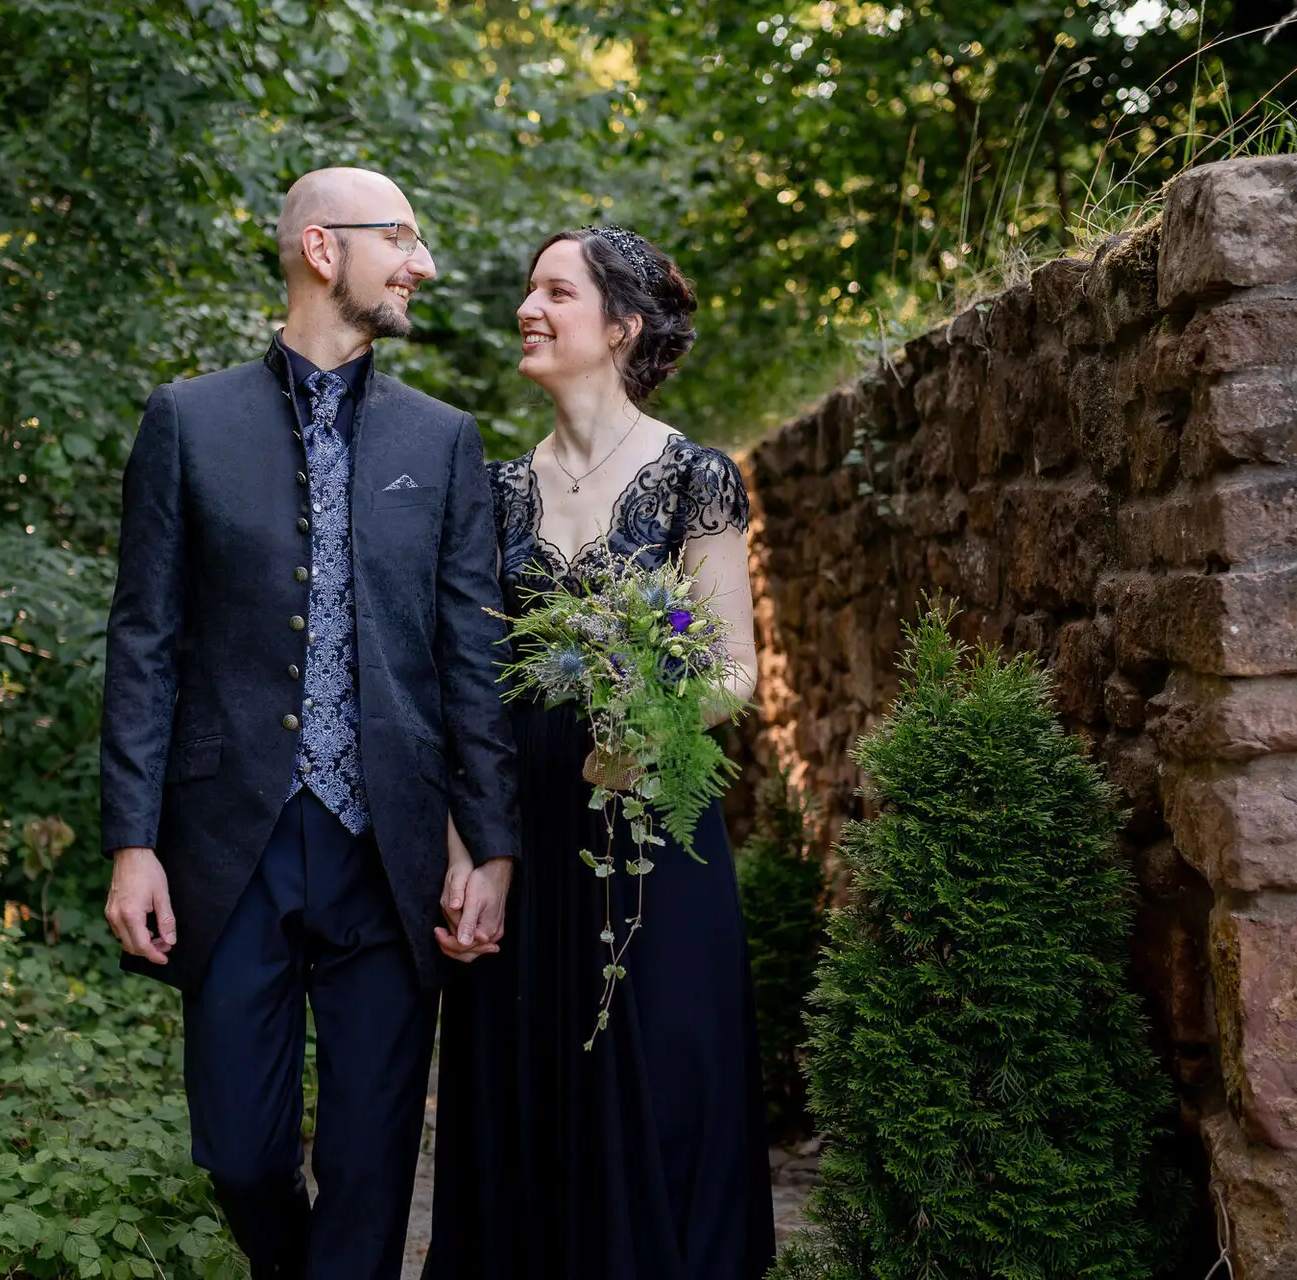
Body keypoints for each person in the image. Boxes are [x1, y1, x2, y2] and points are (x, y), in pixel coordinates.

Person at [100, 166, 519, 1280]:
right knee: (241, 1154)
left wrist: (490, 843)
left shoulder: (443, 440)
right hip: (227, 844)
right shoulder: (187, 421)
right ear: (324, 248)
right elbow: (144, 640)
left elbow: (472, 657)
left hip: (392, 849)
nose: (424, 264)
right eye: (404, 239)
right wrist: (132, 841)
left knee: (371, 1165)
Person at [427, 225, 777, 1280]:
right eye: (529, 290)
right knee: (522, 1082)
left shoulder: (695, 478)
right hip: (521, 827)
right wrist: (466, 848)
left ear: (622, 325)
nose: (528, 309)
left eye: (555, 292)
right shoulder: (489, 491)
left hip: (650, 819)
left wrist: (643, 724)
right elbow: (465, 691)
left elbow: (733, 670)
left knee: (664, 1071)